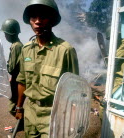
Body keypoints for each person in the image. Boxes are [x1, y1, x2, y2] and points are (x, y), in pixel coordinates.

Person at [15, 0, 79, 137]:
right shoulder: (26, 49)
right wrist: (19, 107)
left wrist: (72, 122)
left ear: (52, 20)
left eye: (43, 17)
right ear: (29, 21)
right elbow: (22, 81)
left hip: (53, 114)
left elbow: (74, 90)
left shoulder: (65, 50)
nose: (37, 21)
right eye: (33, 17)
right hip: (30, 111)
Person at [1, 19, 24, 131]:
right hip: (16, 79)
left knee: (12, 107)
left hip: (18, 81)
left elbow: (12, 67)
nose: (5, 36)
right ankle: (22, 124)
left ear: (10, 33)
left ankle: (24, 124)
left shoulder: (16, 46)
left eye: (5, 33)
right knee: (15, 105)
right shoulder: (17, 45)